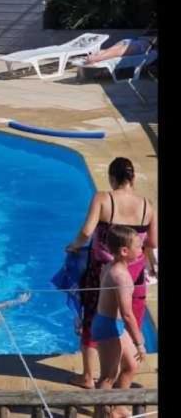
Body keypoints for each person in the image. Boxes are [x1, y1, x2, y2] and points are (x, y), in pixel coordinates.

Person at [65, 157, 157, 389]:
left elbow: (87, 231)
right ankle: (123, 373)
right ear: (132, 178)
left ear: (112, 178)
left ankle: (89, 376)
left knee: (93, 318)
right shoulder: (147, 205)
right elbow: (153, 242)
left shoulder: (103, 198)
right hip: (134, 275)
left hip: (102, 273)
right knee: (128, 320)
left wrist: (74, 246)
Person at [93, 225, 147, 418]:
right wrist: (139, 342)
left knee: (131, 365)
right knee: (108, 376)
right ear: (124, 251)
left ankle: (119, 406)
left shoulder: (111, 266)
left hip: (113, 325)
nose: (141, 249)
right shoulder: (120, 276)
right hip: (108, 327)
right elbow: (127, 314)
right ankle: (101, 414)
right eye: (138, 246)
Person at [74, 36, 156, 67]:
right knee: (118, 51)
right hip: (144, 42)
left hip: (133, 40)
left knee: (112, 50)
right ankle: (96, 58)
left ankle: (93, 56)